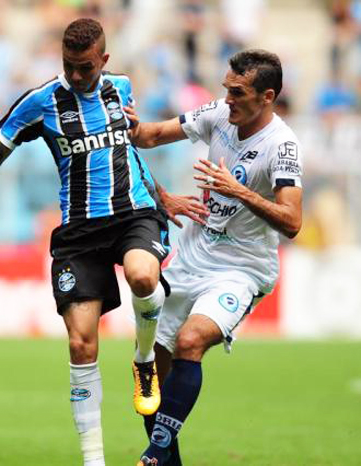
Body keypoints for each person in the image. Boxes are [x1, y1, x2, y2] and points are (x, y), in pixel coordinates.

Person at [0, 18, 205, 466]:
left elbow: (127, 149)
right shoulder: (39, 102)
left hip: (134, 214)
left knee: (144, 278)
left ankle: (144, 359)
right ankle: (94, 461)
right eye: (69, 66)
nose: (76, 75)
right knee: (80, 345)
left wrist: (162, 196)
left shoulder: (123, 88)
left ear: (104, 61)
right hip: (78, 232)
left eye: (85, 68)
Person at [125, 49, 303, 465]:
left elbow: (293, 221)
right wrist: (128, 125)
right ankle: (168, 460)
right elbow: (149, 136)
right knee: (151, 368)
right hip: (191, 259)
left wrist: (236, 188)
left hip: (240, 269)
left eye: (238, 92)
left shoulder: (283, 145)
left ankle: (153, 455)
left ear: (267, 96)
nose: (228, 99)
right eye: (226, 88)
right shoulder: (218, 115)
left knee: (190, 341)